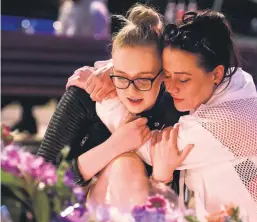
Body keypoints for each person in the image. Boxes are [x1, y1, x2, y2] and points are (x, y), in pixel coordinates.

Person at [67, 10, 257, 222]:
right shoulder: (232, 87)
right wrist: (115, 70)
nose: (171, 87)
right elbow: (149, 65)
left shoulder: (227, 122)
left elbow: (149, 146)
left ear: (216, 73)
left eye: (183, 79)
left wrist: (102, 96)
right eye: (167, 76)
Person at [38, 4, 186, 207]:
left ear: (162, 76)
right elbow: (40, 176)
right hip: (76, 219)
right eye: (122, 77)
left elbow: (178, 204)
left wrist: (162, 177)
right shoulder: (86, 96)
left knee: (127, 166)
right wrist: (114, 146)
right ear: (111, 70)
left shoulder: (174, 109)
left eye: (143, 79)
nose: (132, 90)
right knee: (125, 163)